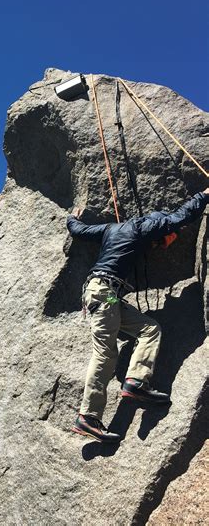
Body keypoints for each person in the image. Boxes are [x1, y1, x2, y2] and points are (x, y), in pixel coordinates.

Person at [67, 188, 209, 443]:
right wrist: (205, 195)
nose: (161, 246)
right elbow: (180, 217)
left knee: (149, 328)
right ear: (157, 227)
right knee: (105, 352)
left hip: (107, 294)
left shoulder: (110, 229)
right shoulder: (147, 226)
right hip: (103, 291)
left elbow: (80, 232)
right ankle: (87, 416)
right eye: (163, 240)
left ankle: (136, 382)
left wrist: (72, 219)